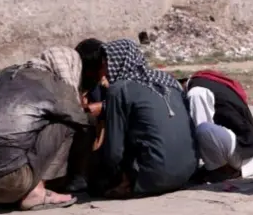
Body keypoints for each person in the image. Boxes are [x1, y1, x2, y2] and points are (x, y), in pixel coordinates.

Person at [0, 47, 91, 211]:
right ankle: (37, 192)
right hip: (12, 183)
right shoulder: (54, 85)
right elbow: (81, 119)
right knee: (68, 123)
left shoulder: (6, 75)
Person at [76, 39, 199, 198]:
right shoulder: (167, 80)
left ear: (118, 62)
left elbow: (114, 154)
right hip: (188, 172)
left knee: (96, 184)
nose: (104, 71)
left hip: (154, 177)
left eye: (106, 64)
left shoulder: (119, 90)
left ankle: (128, 184)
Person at [179, 70, 253, 183]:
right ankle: (221, 167)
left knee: (202, 129)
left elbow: (200, 126)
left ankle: (224, 171)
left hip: (242, 156)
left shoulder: (196, 92)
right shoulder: (206, 82)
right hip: (246, 150)